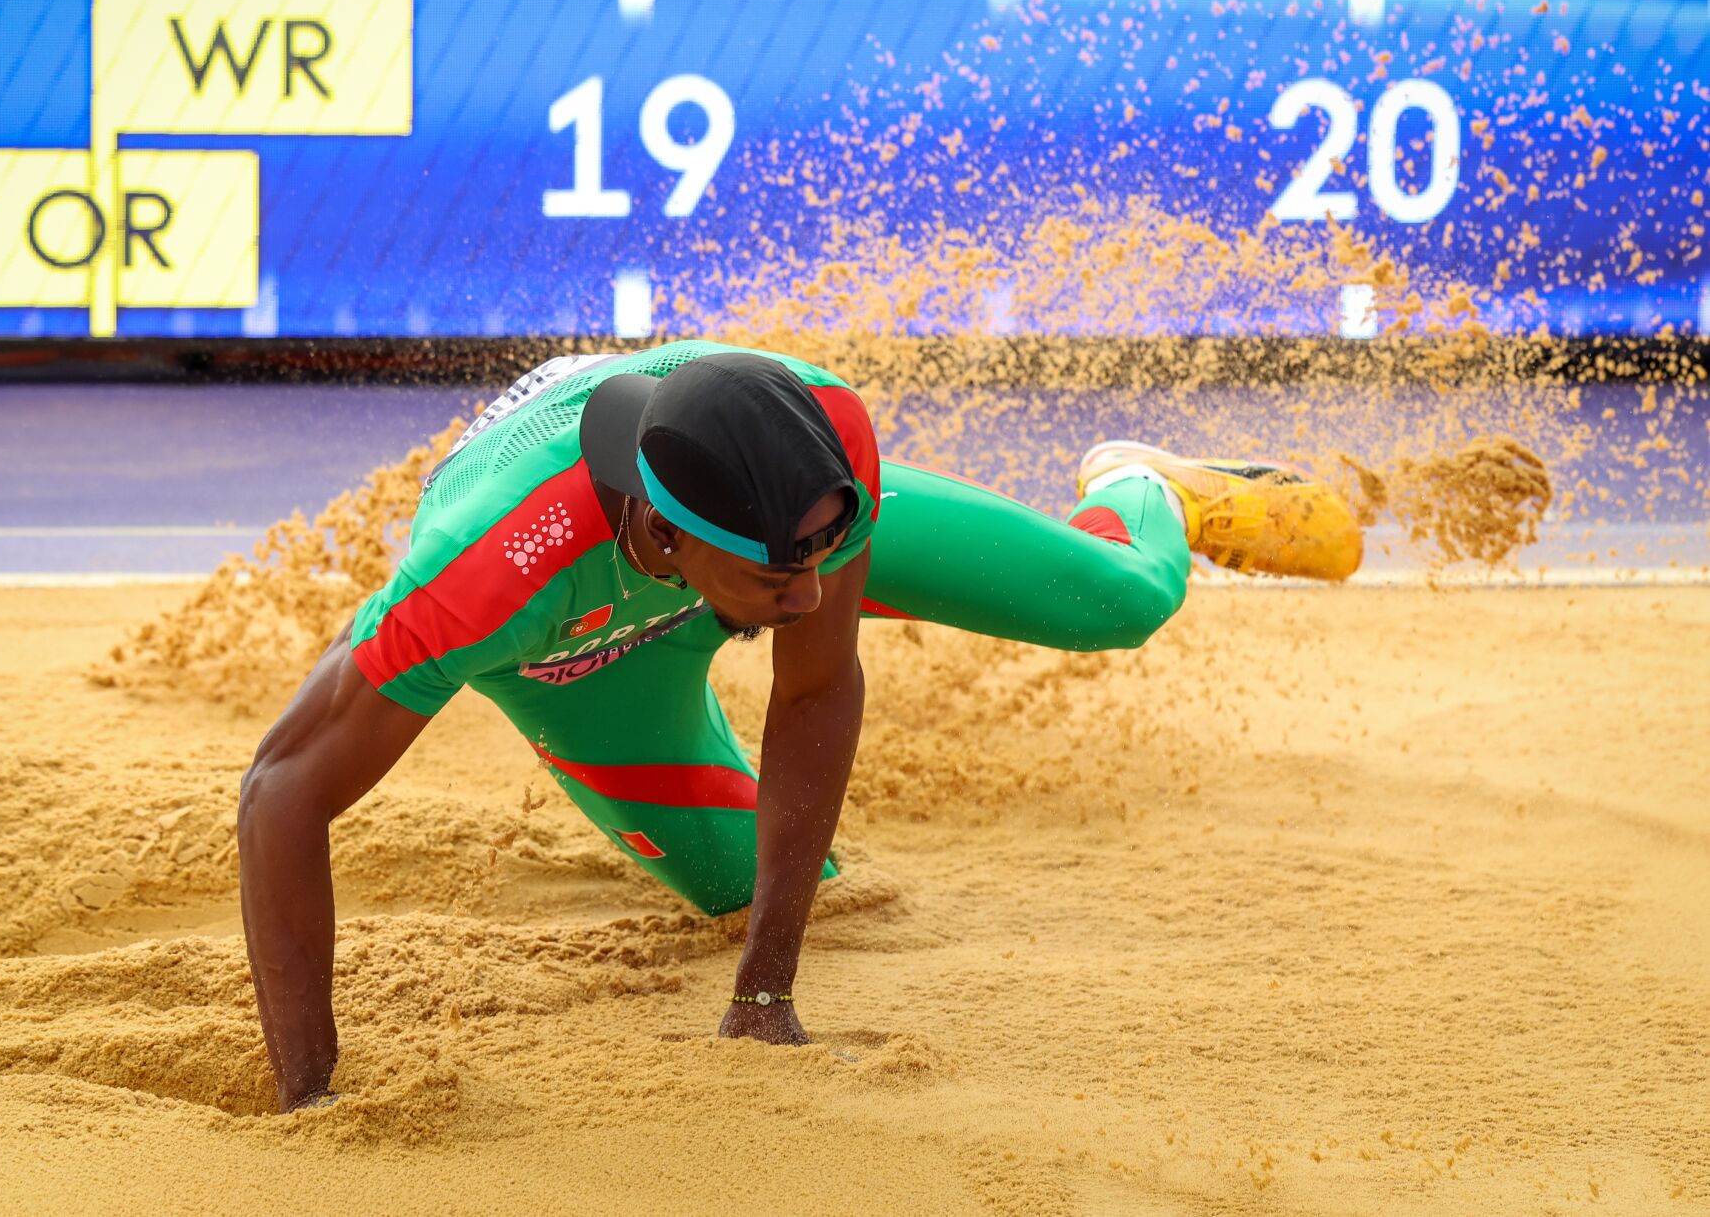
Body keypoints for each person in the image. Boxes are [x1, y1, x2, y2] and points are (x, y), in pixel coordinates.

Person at [237, 341, 1361, 1111]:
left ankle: (1146, 484)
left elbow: (814, 687)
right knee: (768, 883)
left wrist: (763, 995)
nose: (817, 596)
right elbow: (282, 790)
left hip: (749, 509)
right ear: (663, 540)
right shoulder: (484, 578)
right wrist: (313, 1098)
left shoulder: (818, 449)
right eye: (788, 574)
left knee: (1121, 603)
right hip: (579, 665)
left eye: (830, 554)